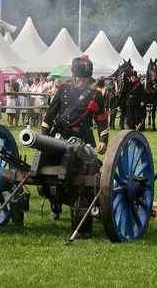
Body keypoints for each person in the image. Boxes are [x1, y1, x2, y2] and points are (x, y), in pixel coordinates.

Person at [42, 55, 109, 233]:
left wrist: (103, 141)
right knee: (52, 170)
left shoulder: (95, 94)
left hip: (84, 138)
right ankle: (55, 205)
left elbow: (102, 120)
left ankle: (86, 206)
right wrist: (44, 137)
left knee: (89, 174)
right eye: (79, 78)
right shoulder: (63, 89)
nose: (82, 82)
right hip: (61, 135)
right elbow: (50, 115)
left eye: (86, 79)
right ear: (72, 75)